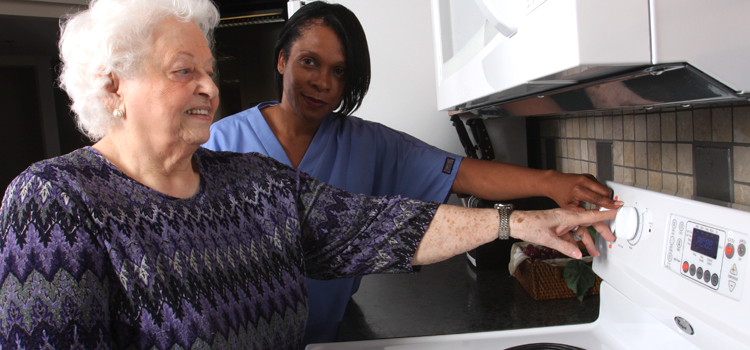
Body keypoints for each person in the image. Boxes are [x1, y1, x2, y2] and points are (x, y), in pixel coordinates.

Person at [0, 0, 616, 348]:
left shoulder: (250, 182)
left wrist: (520, 220)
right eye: (183, 70)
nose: (211, 88)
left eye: (210, 71)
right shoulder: (56, 201)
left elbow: (378, 226)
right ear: (114, 85)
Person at [203, 1, 623, 344]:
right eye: (309, 62)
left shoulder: (369, 145)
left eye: (339, 71)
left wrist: (551, 183)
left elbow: (461, 172)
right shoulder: (217, 144)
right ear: (281, 60)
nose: (323, 83)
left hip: (330, 336)